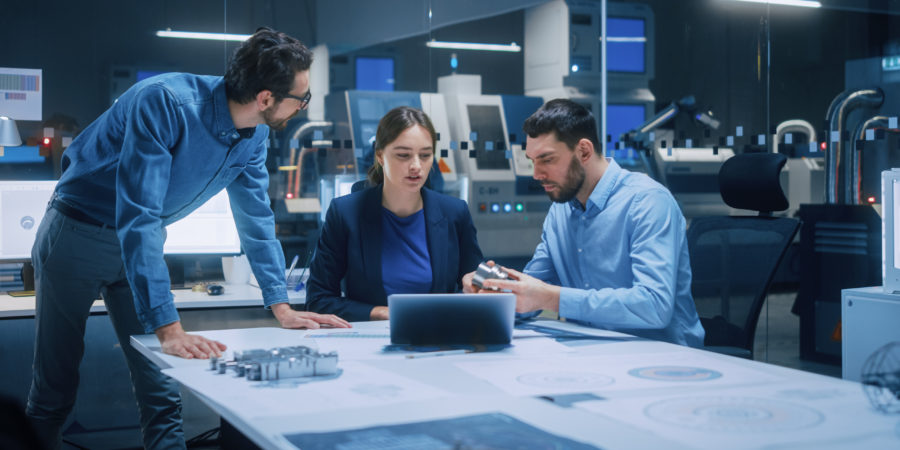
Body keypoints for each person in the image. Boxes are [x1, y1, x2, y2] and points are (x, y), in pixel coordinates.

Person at [26, 28, 350, 450]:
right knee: (55, 389)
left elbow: (255, 216)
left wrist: (281, 304)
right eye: (301, 99)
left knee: (162, 387)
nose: (303, 108)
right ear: (266, 98)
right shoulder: (164, 103)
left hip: (140, 248)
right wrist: (170, 328)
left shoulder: (255, 136)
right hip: (76, 235)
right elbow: (138, 215)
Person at [463, 99, 705, 348]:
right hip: (594, 352)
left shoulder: (648, 202)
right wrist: (492, 290)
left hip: (662, 358)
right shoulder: (560, 211)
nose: (536, 174)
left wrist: (552, 299)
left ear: (584, 151)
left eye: (547, 159)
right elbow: (532, 292)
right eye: (532, 160)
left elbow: (654, 306)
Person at [306, 106, 484, 322]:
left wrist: (484, 282)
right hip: (371, 343)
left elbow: (476, 293)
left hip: (438, 339)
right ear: (380, 156)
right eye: (403, 155)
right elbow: (318, 300)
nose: (416, 166)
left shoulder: (455, 213)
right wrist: (384, 312)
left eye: (425, 155)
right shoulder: (345, 214)